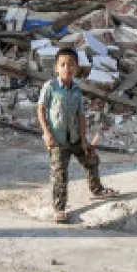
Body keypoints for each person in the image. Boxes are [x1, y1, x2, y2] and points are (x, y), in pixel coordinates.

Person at [38, 47, 116, 224]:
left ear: (76, 67)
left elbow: (80, 115)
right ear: (56, 67)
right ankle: (60, 209)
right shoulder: (50, 87)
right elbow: (41, 110)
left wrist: (83, 139)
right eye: (63, 64)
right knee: (59, 174)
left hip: (74, 137)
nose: (67, 68)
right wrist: (46, 133)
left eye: (71, 64)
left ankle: (97, 189)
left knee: (90, 159)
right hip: (57, 139)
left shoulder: (76, 89)